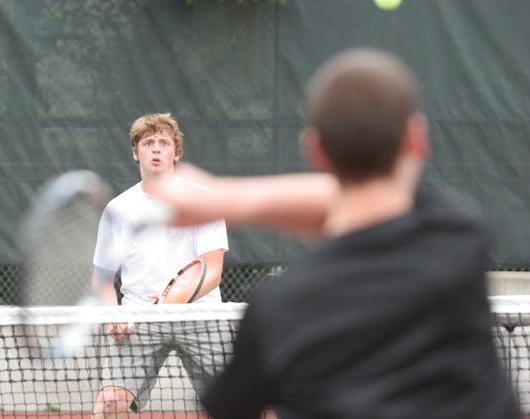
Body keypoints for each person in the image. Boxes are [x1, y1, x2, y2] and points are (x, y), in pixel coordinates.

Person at [157, 49, 521, 418]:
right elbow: (377, 205)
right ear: (417, 138)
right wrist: (233, 200)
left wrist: (229, 200)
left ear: (315, 152)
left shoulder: (276, 309)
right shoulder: (459, 235)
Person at [90, 113, 229, 418]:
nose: (156, 148)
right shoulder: (118, 210)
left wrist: (170, 301)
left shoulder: (202, 200)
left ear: (175, 153)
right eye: (148, 142)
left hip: (202, 316)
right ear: (135, 152)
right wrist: (114, 317)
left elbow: (212, 271)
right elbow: (102, 279)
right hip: (138, 317)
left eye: (164, 142)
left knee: (241, 404)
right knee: (110, 403)